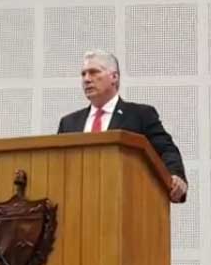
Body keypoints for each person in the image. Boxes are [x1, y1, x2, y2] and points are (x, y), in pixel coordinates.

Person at [58, 50, 188, 203]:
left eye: (93, 72)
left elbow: (166, 150)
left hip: (126, 202)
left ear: (114, 77)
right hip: (79, 206)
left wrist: (175, 176)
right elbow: (58, 166)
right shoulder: (69, 123)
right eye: (83, 74)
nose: (86, 79)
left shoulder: (140, 115)